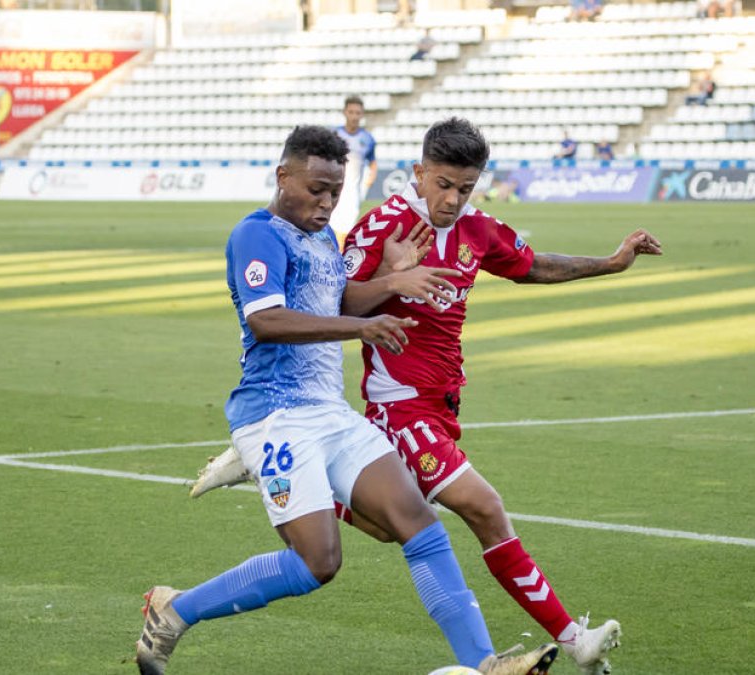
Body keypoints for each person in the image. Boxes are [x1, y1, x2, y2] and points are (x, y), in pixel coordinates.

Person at [194, 118, 661, 675]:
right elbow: (334, 305)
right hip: (397, 405)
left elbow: (531, 265)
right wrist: (394, 280)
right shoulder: (380, 228)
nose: (454, 199)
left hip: (442, 404)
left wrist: (610, 263)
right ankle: (561, 639)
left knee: (390, 528)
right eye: (443, 184)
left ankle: (273, 467)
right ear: (419, 173)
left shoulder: (478, 229)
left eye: (466, 188)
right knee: (483, 508)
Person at [137, 125, 559, 675]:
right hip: (274, 416)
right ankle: (174, 609)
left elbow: (343, 299)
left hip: (329, 413)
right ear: (282, 176)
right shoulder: (256, 235)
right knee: (319, 562)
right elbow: (266, 321)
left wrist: (390, 279)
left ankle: (484, 663)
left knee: (415, 520)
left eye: (335, 191)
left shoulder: (321, 238)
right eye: (316, 189)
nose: (327, 202)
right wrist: (358, 328)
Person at [331, 95, 377, 249]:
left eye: (358, 113)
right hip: (334, 189)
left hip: (352, 194)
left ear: (362, 114)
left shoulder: (367, 139)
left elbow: (372, 162)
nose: (354, 116)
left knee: (346, 232)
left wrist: (370, 179)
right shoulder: (334, 135)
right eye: (351, 112)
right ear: (345, 112)